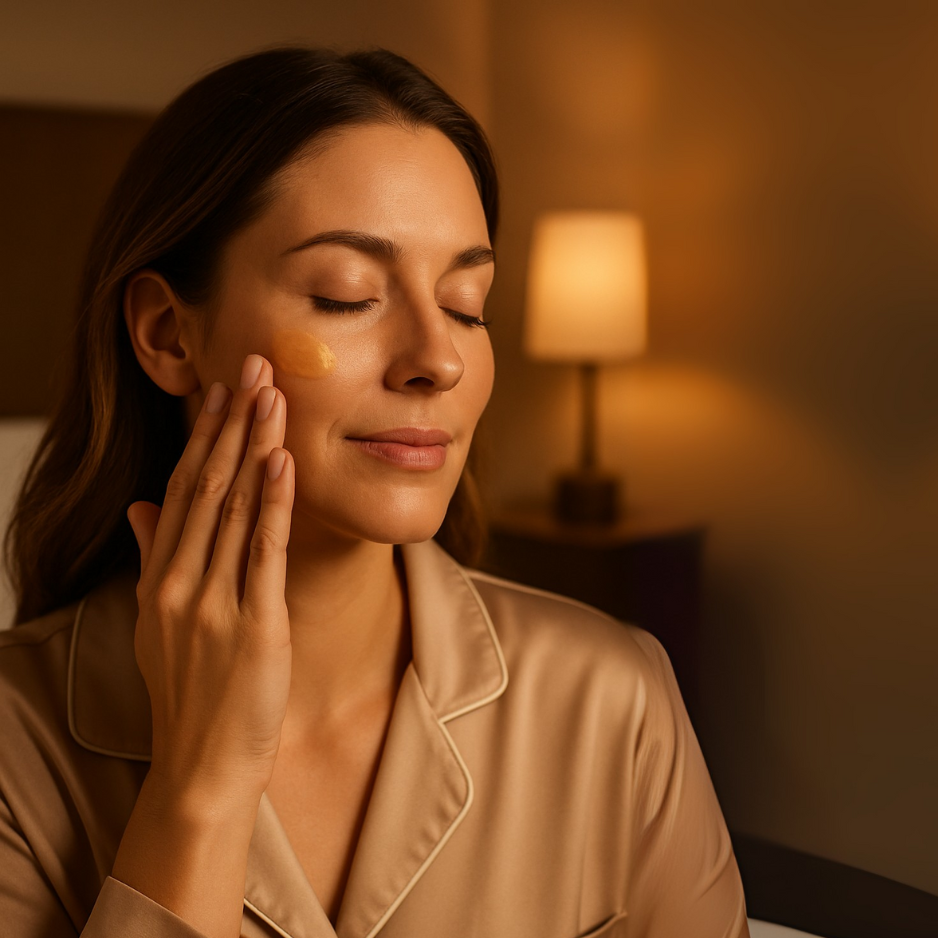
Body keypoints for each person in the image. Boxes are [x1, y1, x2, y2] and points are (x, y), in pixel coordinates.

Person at [0, 46, 750, 938]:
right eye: (346, 296)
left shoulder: (613, 701)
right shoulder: (17, 745)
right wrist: (201, 788)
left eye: (466, 304)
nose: (438, 359)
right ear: (168, 334)